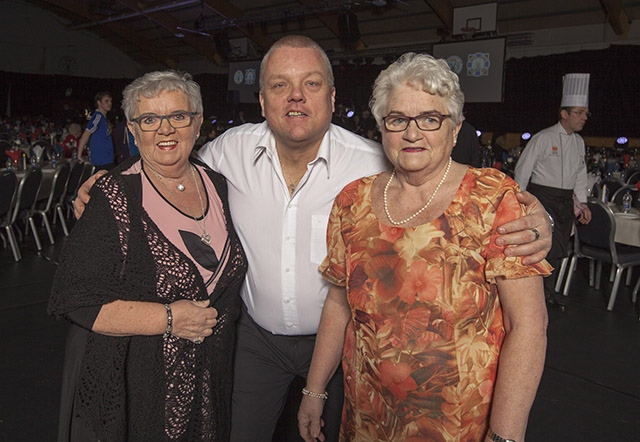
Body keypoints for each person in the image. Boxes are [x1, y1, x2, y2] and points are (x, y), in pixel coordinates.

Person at [74, 36, 553, 442]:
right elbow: (169, 160)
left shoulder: (373, 162)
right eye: (280, 85)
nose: (296, 98)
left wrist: (541, 216)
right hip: (256, 342)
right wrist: (112, 187)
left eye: (311, 84)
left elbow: (448, 191)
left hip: (347, 350)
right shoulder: (227, 153)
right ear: (262, 100)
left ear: (332, 95)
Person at [298, 52, 551, 442]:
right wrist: (314, 391)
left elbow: (528, 326)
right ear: (382, 127)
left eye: (430, 119)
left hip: (460, 425)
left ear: (455, 129)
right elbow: (339, 303)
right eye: (398, 119)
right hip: (367, 418)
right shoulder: (353, 201)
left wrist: (504, 435)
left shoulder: (492, 199)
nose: (412, 133)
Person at [49, 71, 248, 441]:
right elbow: (76, 301)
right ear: (133, 130)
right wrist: (169, 318)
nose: (165, 129)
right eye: (149, 119)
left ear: (198, 123)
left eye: (178, 116)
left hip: (211, 381)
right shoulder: (114, 196)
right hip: (140, 389)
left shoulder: (218, 183)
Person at [515, 73, 592, 309]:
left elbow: (580, 174)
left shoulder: (578, 142)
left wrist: (583, 203)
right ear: (564, 114)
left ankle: (548, 293)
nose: (584, 118)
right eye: (579, 113)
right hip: (542, 199)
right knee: (541, 248)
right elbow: (523, 170)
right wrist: (520, 201)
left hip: (564, 201)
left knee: (558, 250)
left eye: (586, 113)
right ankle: (533, 295)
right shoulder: (543, 138)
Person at [76, 91, 115, 171]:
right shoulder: (98, 117)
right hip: (101, 161)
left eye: (110, 101)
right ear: (99, 103)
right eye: (106, 101)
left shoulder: (103, 119)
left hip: (107, 159)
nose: (110, 103)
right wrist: (79, 154)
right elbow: (86, 135)